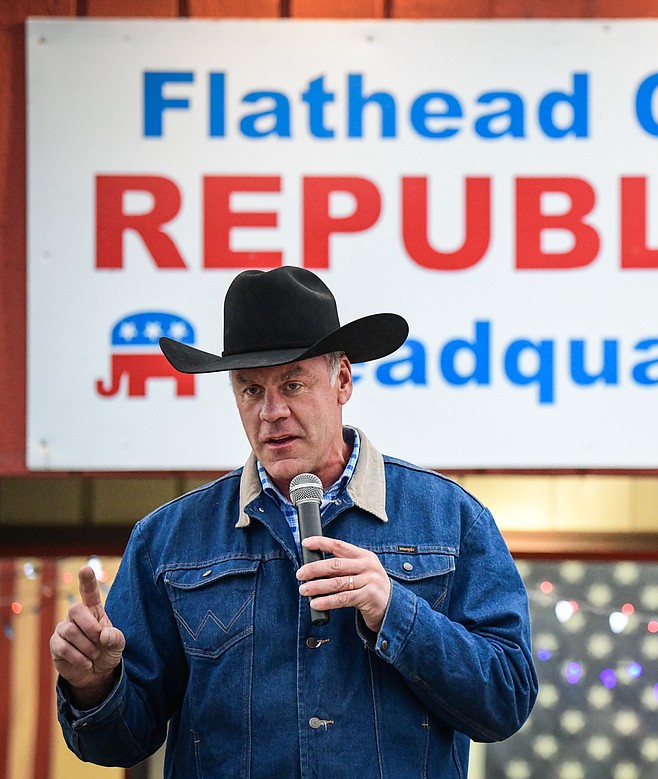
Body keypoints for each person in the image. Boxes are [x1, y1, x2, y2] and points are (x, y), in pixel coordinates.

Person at [49, 266, 538, 777]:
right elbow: (120, 743)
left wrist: (395, 610)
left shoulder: (451, 519)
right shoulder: (167, 540)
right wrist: (94, 686)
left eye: (293, 383)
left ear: (343, 380)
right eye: (250, 390)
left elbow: (506, 700)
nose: (271, 411)